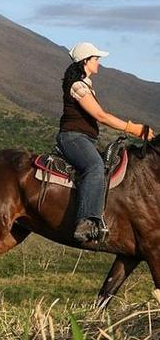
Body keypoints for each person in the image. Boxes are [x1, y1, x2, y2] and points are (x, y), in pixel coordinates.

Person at [56, 42, 155, 242]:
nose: (99, 63)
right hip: (73, 138)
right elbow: (101, 116)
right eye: (96, 59)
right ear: (85, 61)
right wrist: (133, 128)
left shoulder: (86, 84)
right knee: (95, 167)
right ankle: (85, 222)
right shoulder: (77, 86)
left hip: (84, 138)